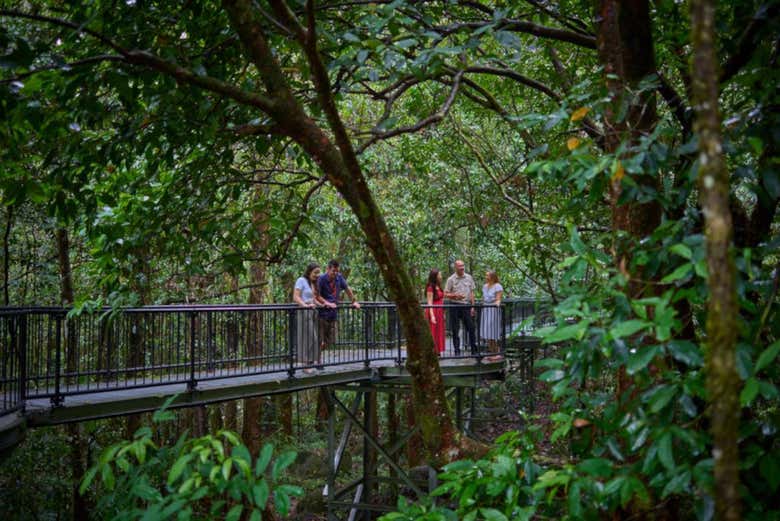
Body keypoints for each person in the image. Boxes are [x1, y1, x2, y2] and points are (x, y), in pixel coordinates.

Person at [316, 260, 360, 363]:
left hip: (333, 314)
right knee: (320, 340)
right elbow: (316, 295)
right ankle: (317, 361)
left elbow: (347, 288)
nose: (335, 273)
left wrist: (354, 301)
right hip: (322, 314)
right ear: (328, 269)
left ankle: (317, 357)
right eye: (333, 271)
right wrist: (327, 303)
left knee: (331, 340)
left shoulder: (339, 277)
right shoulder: (321, 279)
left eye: (337, 271)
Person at [444, 259, 477, 355]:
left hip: (466, 305)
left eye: (463, 265)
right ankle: (457, 350)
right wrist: (455, 296)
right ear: (456, 267)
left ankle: (473, 350)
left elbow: (472, 292)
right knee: (455, 329)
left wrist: (473, 306)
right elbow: (445, 294)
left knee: (471, 327)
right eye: (460, 266)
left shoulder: (469, 277)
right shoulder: (451, 279)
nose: (462, 267)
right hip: (455, 305)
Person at [293, 263, 321, 374]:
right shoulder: (301, 280)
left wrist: (322, 304)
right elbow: (296, 297)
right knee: (309, 338)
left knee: (312, 338)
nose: (317, 275)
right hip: (304, 311)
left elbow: (313, 298)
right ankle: (305, 365)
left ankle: (307, 364)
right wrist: (305, 305)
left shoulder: (312, 283)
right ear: (309, 271)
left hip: (312, 311)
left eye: (318, 273)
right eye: (315, 272)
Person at [480, 270, 504, 361]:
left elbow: (498, 299)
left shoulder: (498, 286)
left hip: (493, 309)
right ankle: (492, 352)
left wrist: (497, 303)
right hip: (485, 309)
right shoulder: (485, 286)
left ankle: (497, 352)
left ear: (493, 277)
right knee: (486, 331)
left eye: (487, 275)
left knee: (492, 330)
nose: (486, 277)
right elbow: (483, 298)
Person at [425, 269, 445, 355]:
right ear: (435, 276)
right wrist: (432, 316)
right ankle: (432, 351)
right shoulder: (430, 287)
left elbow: (442, 298)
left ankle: (438, 350)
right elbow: (429, 303)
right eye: (439, 275)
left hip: (439, 311)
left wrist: (443, 313)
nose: (441, 276)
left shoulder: (439, 286)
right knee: (433, 331)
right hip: (433, 311)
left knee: (439, 331)